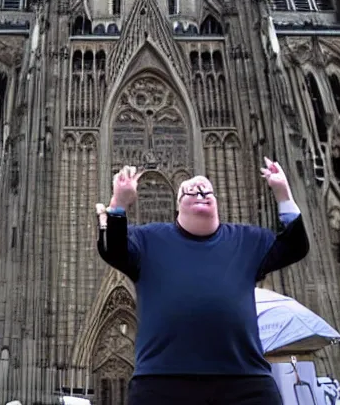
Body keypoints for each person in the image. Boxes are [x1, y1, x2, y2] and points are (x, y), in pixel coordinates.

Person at [95, 157, 309, 405]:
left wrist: (283, 193)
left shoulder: (247, 239)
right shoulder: (149, 239)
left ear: (216, 202)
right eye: (190, 191)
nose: (200, 193)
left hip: (244, 380)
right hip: (163, 381)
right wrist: (119, 203)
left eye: (207, 190)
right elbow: (112, 249)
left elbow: (296, 247)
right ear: (178, 206)